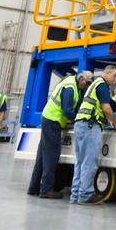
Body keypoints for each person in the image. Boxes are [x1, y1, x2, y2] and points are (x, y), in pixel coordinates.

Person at [29, 70, 88, 199]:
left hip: (48, 118)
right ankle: (46, 190)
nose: (86, 86)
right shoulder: (70, 89)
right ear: (82, 79)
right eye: (86, 83)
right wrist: (79, 118)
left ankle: (33, 187)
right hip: (52, 121)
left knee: (42, 156)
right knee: (52, 156)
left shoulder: (73, 84)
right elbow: (67, 111)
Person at [71, 65, 116, 205]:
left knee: (80, 162)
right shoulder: (102, 85)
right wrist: (115, 122)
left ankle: (75, 195)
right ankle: (86, 195)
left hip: (81, 124)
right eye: (114, 75)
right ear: (107, 72)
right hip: (90, 126)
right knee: (89, 162)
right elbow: (106, 107)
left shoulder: (94, 85)